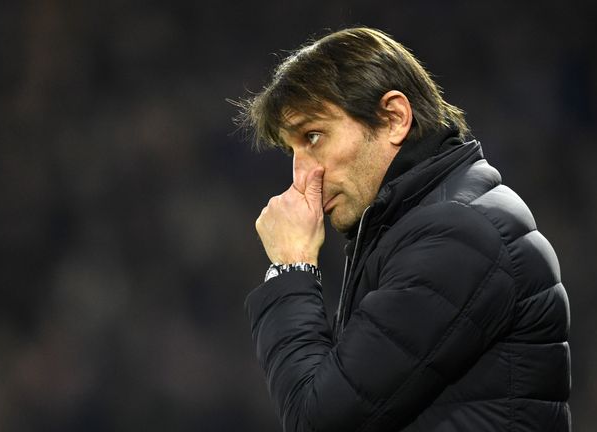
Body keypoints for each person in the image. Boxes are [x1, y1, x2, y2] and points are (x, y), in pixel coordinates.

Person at [236, 27, 571, 432]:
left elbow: (318, 420)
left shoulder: (455, 236)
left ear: (394, 118)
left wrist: (292, 267)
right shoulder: (419, 225)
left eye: (314, 136)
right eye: (293, 151)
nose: (302, 175)